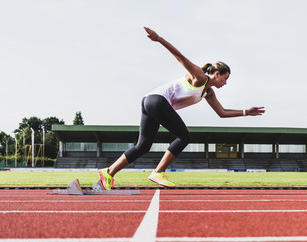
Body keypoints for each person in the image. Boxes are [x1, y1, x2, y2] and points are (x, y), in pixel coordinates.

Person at [98, 27, 265, 189]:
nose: (226, 83)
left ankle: (108, 172)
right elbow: (180, 57)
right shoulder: (200, 77)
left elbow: (222, 113)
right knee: (183, 136)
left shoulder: (209, 92)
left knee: (142, 146)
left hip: (149, 101)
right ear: (217, 74)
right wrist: (159, 39)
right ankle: (158, 172)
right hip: (156, 100)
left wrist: (245, 113)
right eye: (225, 78)